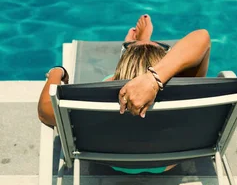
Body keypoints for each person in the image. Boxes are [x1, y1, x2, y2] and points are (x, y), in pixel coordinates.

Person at [38, 15, 211, 125]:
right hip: (170, 159)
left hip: (111, 158)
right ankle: (142, 50)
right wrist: (153, 79)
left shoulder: (92, 101)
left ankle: (136, 52)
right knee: (171, 70)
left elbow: (45, 111)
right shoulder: (182, 94)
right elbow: (203, 37)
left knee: (114, 83)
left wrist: (57, 72)